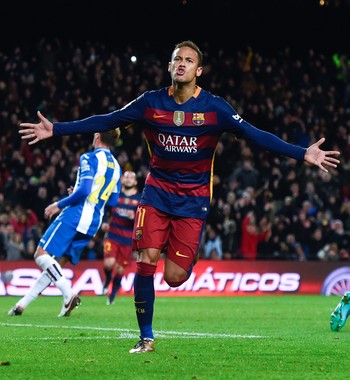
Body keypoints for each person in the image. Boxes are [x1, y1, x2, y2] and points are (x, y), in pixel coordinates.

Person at [18, 40, 340, 352]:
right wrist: (56, 129)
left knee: (173, 277)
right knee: (146, 261)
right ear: (170, 66)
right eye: (177, 59)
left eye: (188, 60)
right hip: (156, 193)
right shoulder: (151, 103)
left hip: (193, 200)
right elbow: (109, 119)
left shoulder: (215, 108)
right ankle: (146, 338)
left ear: (199, 70)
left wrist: (302, 154)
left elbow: (256, 135)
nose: (182, 63)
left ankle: (185, 255)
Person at [8, 129, 122, 317]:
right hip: (93, 222)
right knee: (56, 265)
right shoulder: (117, 167)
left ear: (97, 136)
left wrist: (57, 205)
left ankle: (69, 294)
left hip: (75, 215)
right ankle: (21, 305)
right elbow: (113, 201)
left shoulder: (89, 158)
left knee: (40, 254)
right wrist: (83, 193)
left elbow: (85, 190)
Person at [101, 170, 141, 305]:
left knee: (119, 269)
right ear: (122, 180)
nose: (129, 179)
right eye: (126, 176)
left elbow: (143, 220)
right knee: (109, 263)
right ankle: (107, 279)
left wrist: (135, 218)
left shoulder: (139, 199)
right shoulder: (115, 195)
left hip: (127, 239)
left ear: (135, 182)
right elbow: (105, 208)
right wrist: (105, 221)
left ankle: (112, 294)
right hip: (112, 235)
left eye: (132, 177)